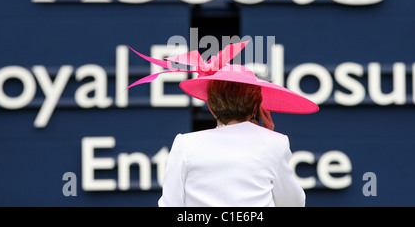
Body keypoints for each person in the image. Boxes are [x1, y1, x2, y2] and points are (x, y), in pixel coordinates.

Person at [125, 41, 319, 207]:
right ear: (256, 107)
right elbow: (293, 203)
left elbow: (170, 204)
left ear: (211, 107)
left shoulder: (185, 144)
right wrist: (268, 136)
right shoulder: (276, 143)